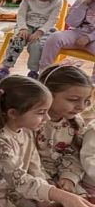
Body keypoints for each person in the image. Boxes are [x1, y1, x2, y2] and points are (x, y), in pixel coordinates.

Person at [0, 76, 94, 207]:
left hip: (21, 193)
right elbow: (19, 180)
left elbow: (35, 168)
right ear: (13, 113)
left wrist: (49, 195)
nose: (47, 118)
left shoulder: (26, 131)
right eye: (41, 112)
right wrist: (58, 195)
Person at [0, 0, 64, 80]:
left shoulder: (58, 0)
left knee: (36, 45)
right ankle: (5, 67)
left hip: (44, 29)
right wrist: (23, 28)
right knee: (18, 41)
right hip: (26, 25)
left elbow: (53, 20)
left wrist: (40, 32)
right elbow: (21, 14)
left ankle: (33, 71)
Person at [35, 65, 93, 194]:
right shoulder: (32, 123)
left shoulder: (76, 122)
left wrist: (69, 177)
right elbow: (27, 162)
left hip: (62, 178)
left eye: (86, 101)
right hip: (34, 180)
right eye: (73, 100)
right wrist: (48, 184)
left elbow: (75, 154)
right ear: (47, 94)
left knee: (84, 200)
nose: (81, 107)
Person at [39, 0, 95, 76]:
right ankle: (44, 72)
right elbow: (71, 22)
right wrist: (83, 5)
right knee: (54, 37)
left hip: (93, 38)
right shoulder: (81, 2)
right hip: (76, 33)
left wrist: (88, 38)